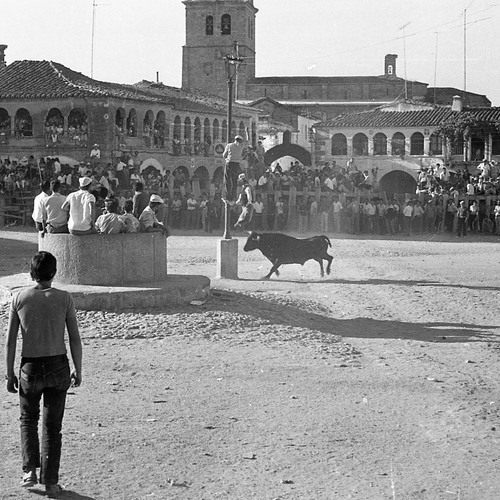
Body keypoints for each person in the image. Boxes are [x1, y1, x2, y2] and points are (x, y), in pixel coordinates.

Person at [5, 251, 83, 497]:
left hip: (30, 366)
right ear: (54, 273)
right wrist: (78, 368)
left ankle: (29, 471)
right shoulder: (64, 298)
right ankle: (50, 481)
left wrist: (9, 373)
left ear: (31, 273)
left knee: (28, 419)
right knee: (52, 426)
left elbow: (10, 342)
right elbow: (74, 338)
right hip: (58, 365)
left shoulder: (20, 298)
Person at [222, 135, 245, 204]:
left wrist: (227, 158)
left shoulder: (229, 145)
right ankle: (233, 197)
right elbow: (248, 141)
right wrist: (246, 133)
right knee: (234, 181)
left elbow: (224, 155)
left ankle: (227, 197)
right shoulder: (241, 146)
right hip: (236, 164)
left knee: (227, 180)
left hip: (230, 163)